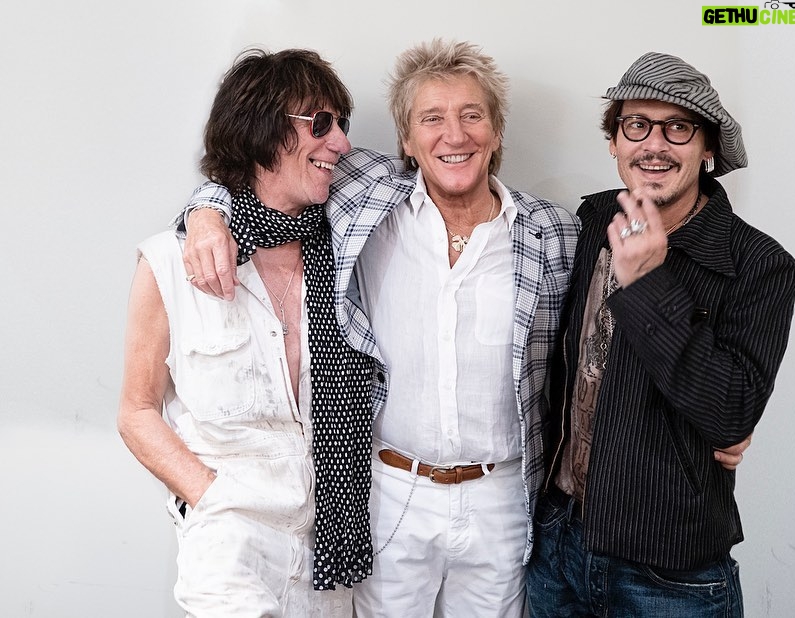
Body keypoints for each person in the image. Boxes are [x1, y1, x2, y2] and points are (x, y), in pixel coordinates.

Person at [180, 41, 752, 617]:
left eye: (472, 115)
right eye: (432, 118)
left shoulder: (555, 231)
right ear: (407, 140)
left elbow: (604, 338)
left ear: (497, 132)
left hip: (502, 496)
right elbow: (267, 170)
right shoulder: (366, 195)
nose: (454, 135)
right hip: (391, 491)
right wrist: (205, 211)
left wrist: (712, 420)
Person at [527, 52, 795, 617]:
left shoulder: (759, 265)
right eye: (637, 125)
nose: (654, 144)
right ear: (615, 141)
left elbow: (729, 413)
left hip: (670, 572)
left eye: (678, 127)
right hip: (558, 542)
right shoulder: (588, 222)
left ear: (708, 150)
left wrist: (648, 281)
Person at [118, 48, 375, 616]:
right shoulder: (169, 261)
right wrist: (212, 498)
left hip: (332, 550)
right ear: (261, 129)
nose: (342, 144)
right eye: (321, 123)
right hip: (230, 547)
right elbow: (136, 410)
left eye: (343, 124)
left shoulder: (350, 255)